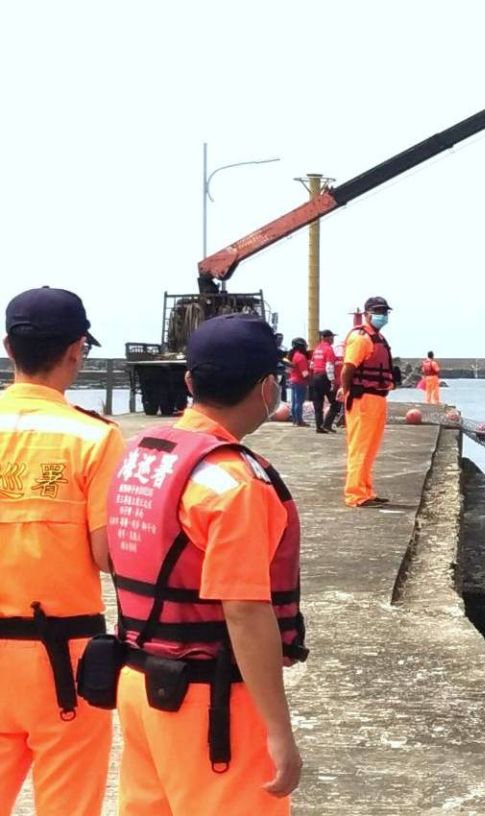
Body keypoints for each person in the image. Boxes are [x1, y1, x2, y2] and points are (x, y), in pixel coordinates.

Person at [107, 313, 306, 814]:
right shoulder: (235, 484)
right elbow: (244, 611)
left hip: (138, 682)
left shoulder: (141, 456)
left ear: (190, 381)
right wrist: (279, 731)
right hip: (209, 701)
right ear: (268, 388)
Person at [0, 287, 125, 816]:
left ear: (8, 348)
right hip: (63, 657)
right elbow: (106, 555)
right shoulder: (94, 438)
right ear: (77, 350)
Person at [340, 296, 396, 507]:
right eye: (379, 311)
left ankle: (366, 490)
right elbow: (348, 368)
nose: (383, 315)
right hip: (362, 398)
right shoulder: (361, 338)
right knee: (360, 447)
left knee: (370, 448)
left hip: (377, 398)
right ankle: (355, 494)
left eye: (385, 312)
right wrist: (347, 394)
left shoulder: (378, 339)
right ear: (367, 314)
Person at [310, 329, 337, 434]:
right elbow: (329, 366)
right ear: (327, 338)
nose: (333, 339)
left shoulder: (317, 349)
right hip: (324, 377)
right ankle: (327, 424)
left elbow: (311, 365)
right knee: (335, 403)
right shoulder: (328, 349)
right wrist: (332, 380)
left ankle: (319, 426)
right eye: (332, 337)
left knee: (318, 404)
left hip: (316, 376)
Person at [287, 337, 310, 426]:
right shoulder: (301, 357)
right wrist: (310, 380)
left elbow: (288, 371)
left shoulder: (292, 356)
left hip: (292, 381)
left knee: (294, 402)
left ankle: (295, 420)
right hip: (300, 382)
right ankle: (299, 421)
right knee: (299, 402)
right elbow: (304, 373)